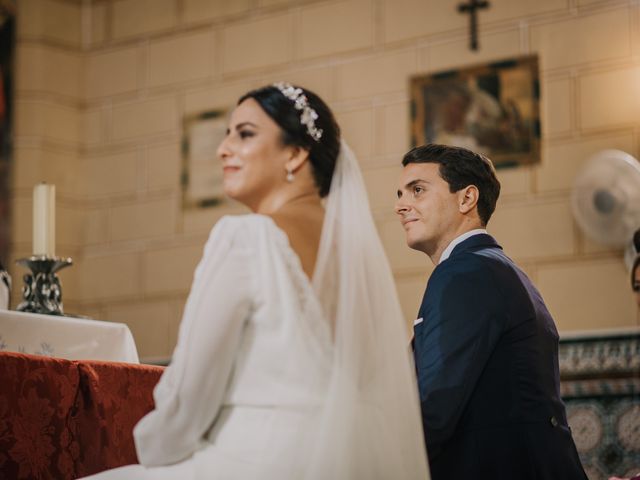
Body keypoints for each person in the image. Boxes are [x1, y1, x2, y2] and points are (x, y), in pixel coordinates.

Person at [82, 84, 429, 479]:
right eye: (227, 134)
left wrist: (152, 451)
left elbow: (190, 397)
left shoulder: (247, 237)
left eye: (244, 133)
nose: (223, 149)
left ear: (296, 153)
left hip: (256, 461)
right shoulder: (356, 258)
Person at [395, 144, 587, 480]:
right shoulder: (491, 267)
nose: (400, 206)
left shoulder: (465, 273)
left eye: (418, 190)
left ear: (466, 198)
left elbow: (434, 410)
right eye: (400, 193)